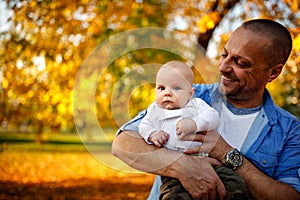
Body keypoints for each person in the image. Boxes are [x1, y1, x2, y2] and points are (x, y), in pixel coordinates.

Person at [112, 19, 300, 200]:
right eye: (224, 54)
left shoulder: (289, 130)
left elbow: (290, 196)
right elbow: (123, 144)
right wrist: (183, 166)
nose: (223, 67)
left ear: (273, 72)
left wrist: (228, 155)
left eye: (240, 63)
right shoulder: (190, 96)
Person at [139, 60, 249, 199]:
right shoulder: (155, 110)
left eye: (176, 88)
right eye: (161, 88)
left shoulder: (195, 105)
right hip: (173, 171)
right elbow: (144, 126)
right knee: (173, 196)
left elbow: (212, 116)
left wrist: (194, 123)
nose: (167, 93)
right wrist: (152, 134)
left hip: (206, 162)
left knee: (235, 183)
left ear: (190, 93)